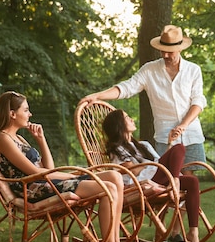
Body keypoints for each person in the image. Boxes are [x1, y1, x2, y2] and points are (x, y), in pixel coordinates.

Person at [0, 91, 142, 242]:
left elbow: (47, 167)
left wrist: (41, 141)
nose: (30, 114)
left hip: (45, 182)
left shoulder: (18, 139)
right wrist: (72, 176)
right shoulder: (2, 139)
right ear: (12, 114)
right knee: (107, 188)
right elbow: (35, 173)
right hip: (33, 189)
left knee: (114, 176)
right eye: (26, 110)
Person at [79, 24, 207, 173]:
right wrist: (98, 95)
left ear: (180, 48)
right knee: (168, 178)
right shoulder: (149, 70)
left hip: (191, 132)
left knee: (189, 178)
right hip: (165, 136)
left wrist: (183, 125)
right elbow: (127, 87)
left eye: (169, 52)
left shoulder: (193, 70)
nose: (165, 55)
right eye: (162, 51)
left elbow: (198, 101)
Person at [102, 109, 202, 242]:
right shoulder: (117, 149)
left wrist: (169, 144)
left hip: (158, 176)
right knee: (179, 148)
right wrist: (151, 164)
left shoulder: (144, 145)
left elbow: (159, 163)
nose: (132, 119)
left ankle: (194, 232)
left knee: (192, 181)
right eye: (127, 117)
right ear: (119, 125)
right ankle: (175, 182)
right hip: (142, 183)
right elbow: (133, 171)